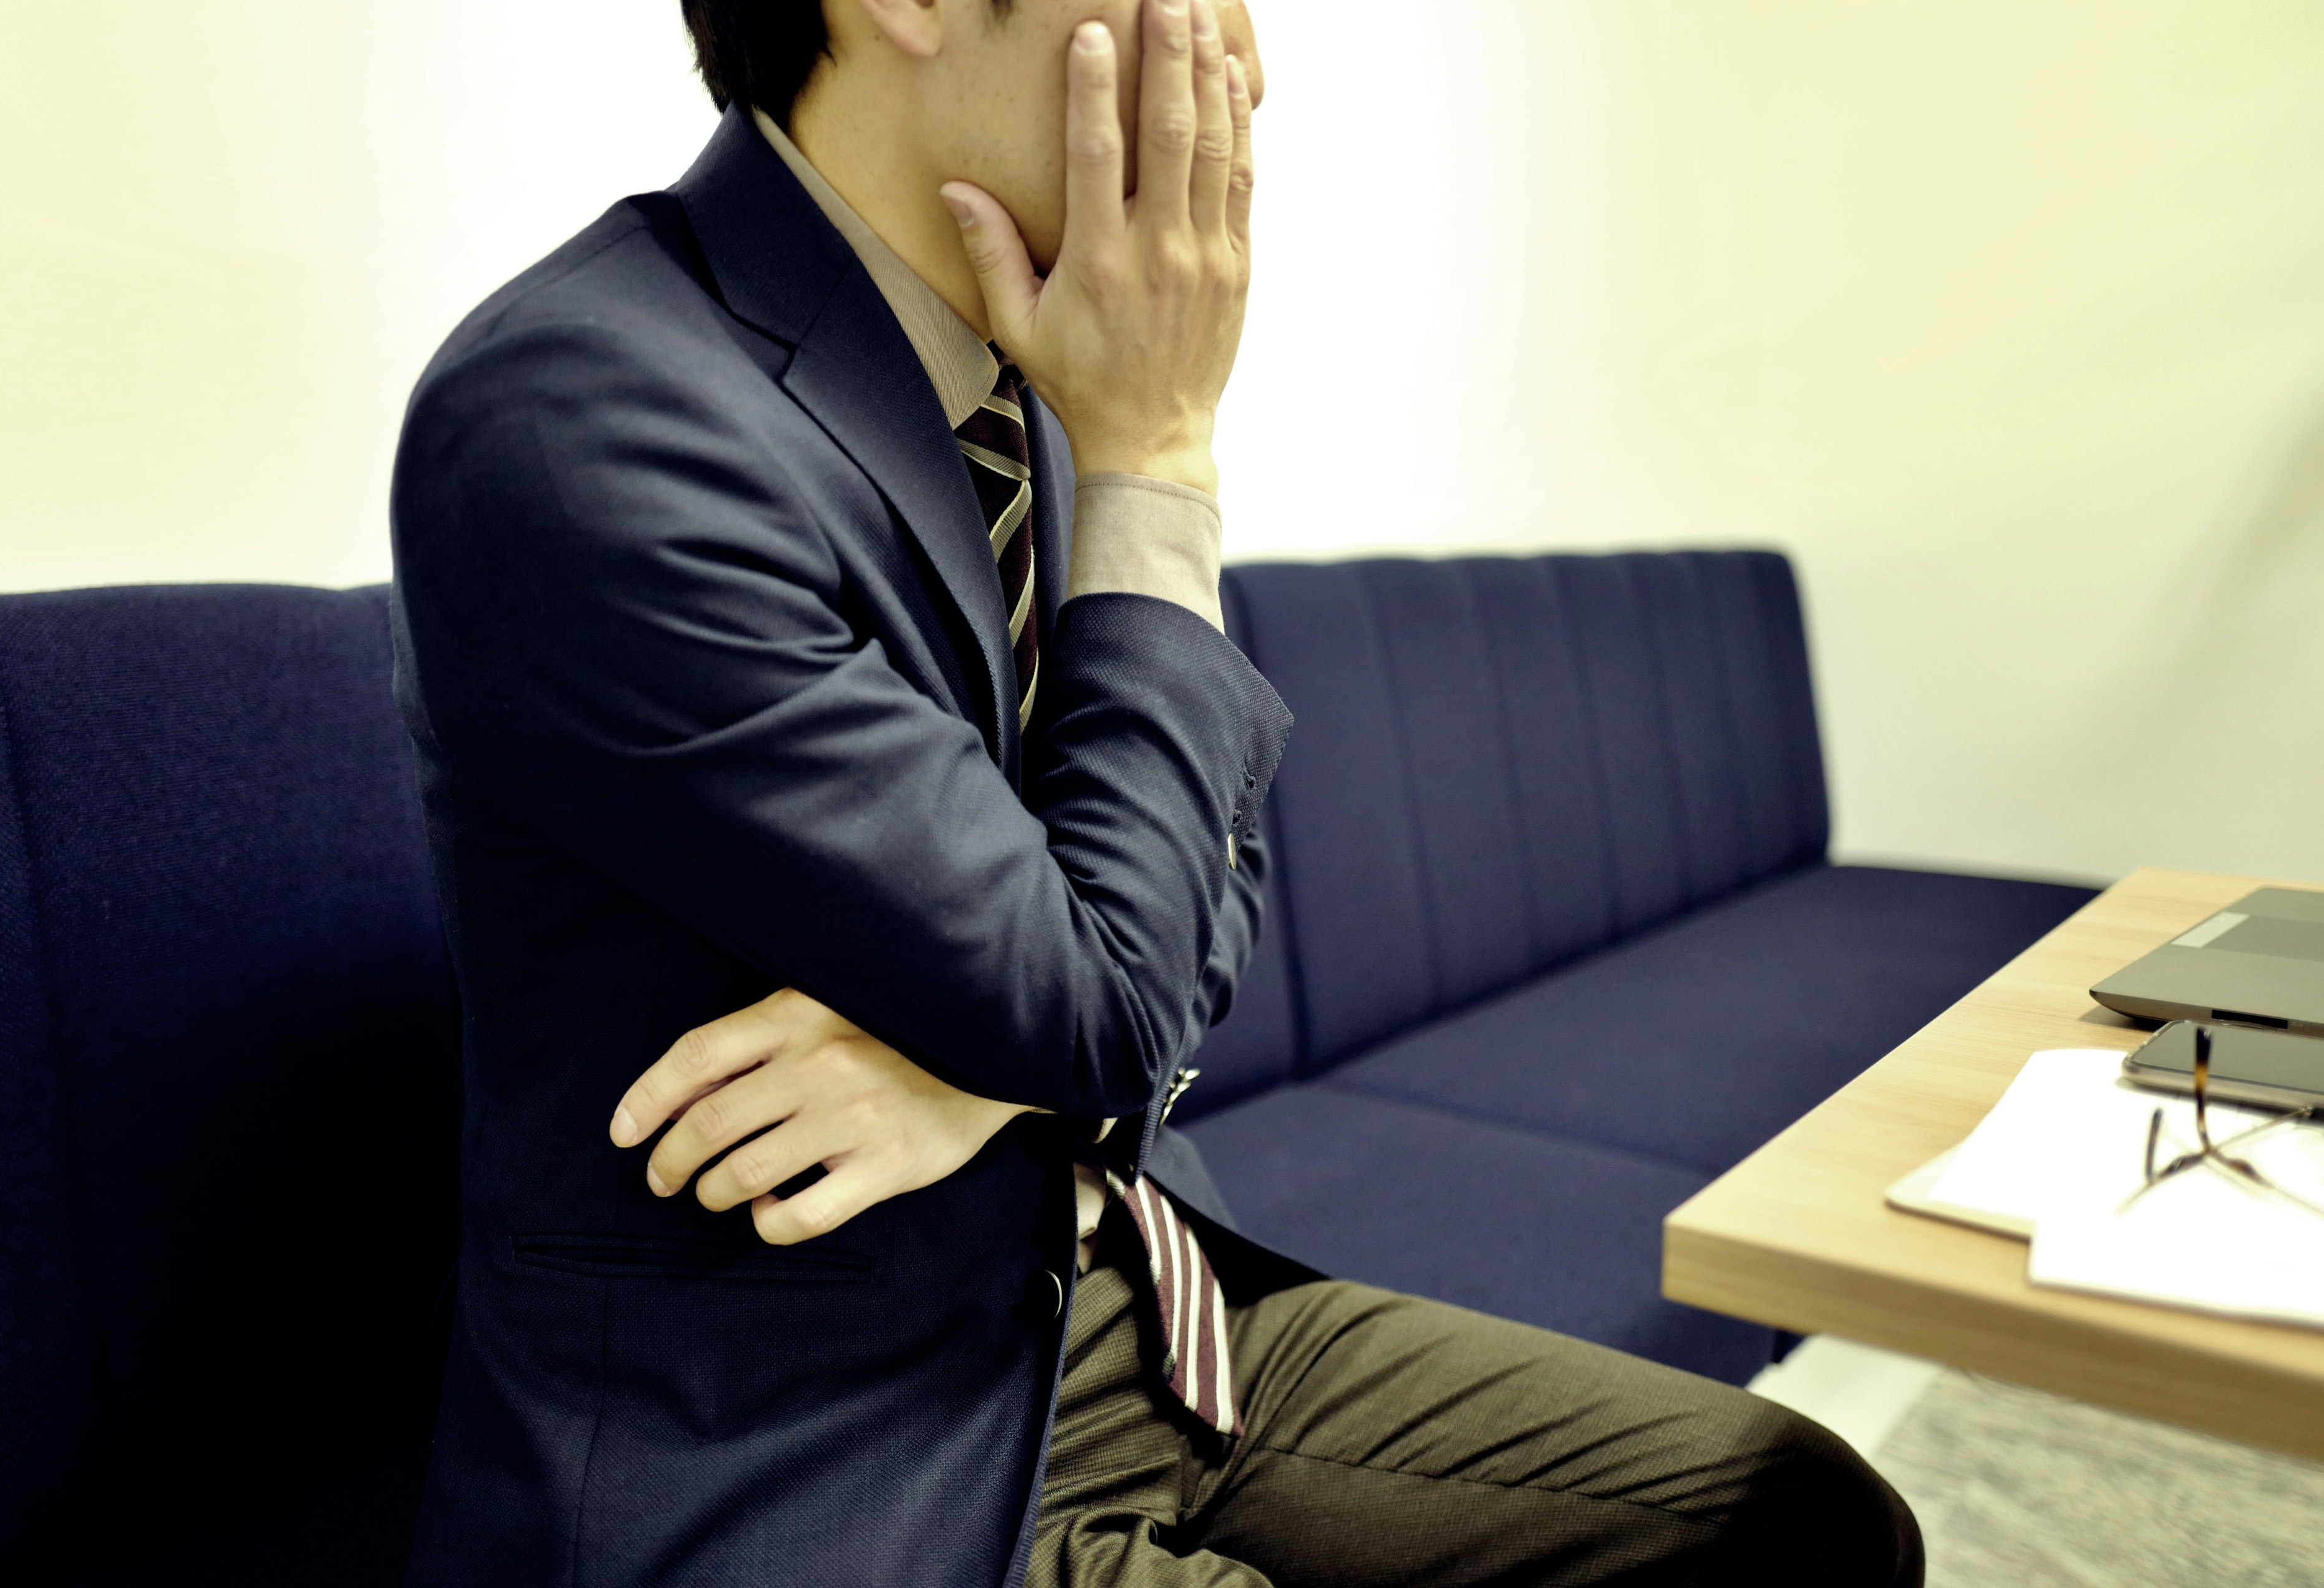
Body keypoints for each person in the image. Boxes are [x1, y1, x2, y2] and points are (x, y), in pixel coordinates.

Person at [387, 1, 1925, 1583]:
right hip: (813, 1444)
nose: (1245, 60)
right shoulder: (585, 410)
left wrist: (993, 1061)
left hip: (1128, 1303)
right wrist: (1161, 463)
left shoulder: (1031, 366)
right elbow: (1119, 986)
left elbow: (1195, 902)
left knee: (1799, 1519)